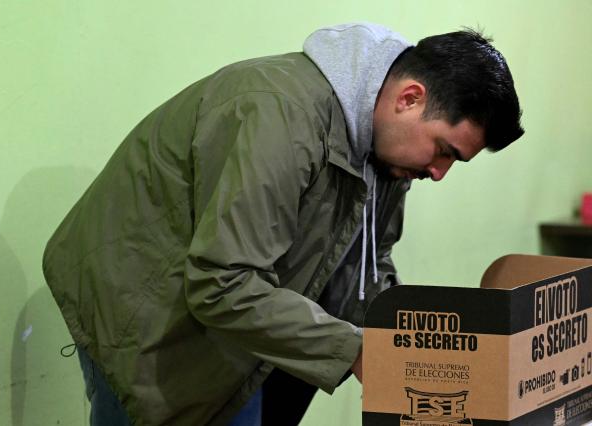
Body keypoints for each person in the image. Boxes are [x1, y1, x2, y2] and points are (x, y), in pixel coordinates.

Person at [42, 22, 524, 426]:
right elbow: (223, 284)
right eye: (444, 151)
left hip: (230, 320)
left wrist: (414, 343)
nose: (439, 172)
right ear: (409, 98)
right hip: (146, 313)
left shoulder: (389, 151)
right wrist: (358, 351)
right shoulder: (280, 118)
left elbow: (365, 268)